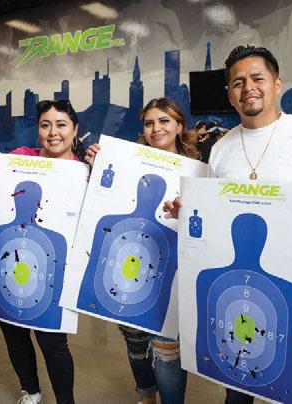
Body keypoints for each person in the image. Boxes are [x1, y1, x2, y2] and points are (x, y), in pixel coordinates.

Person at [164, 45, 292, 404]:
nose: (248, 88)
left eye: (257, 78)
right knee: (238, 369)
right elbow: (214, 210)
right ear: (230, 94)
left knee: (289, 370)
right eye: (238, 82)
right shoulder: (223, 147)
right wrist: (190, 210)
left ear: (276, 84)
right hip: (238, 276)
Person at [0, 99, 81, 404]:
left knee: (53, 342)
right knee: (14, 333)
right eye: (45, 125)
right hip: (10, 259)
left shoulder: (84, 172)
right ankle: (31, 390)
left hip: (52, 266)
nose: (53, 133)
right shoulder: (19, 158)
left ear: (75, 129)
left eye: (61, 125)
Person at [85, 98, 199, 404]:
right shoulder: (127, 164)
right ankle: (146, 395)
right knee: (135, 344)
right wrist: (97, 166)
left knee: (167, 350)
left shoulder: (199, 172)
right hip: (129, 265)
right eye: (149, 123)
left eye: (164, 121)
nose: (156, 128)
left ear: (179, 126)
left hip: (172, 271)